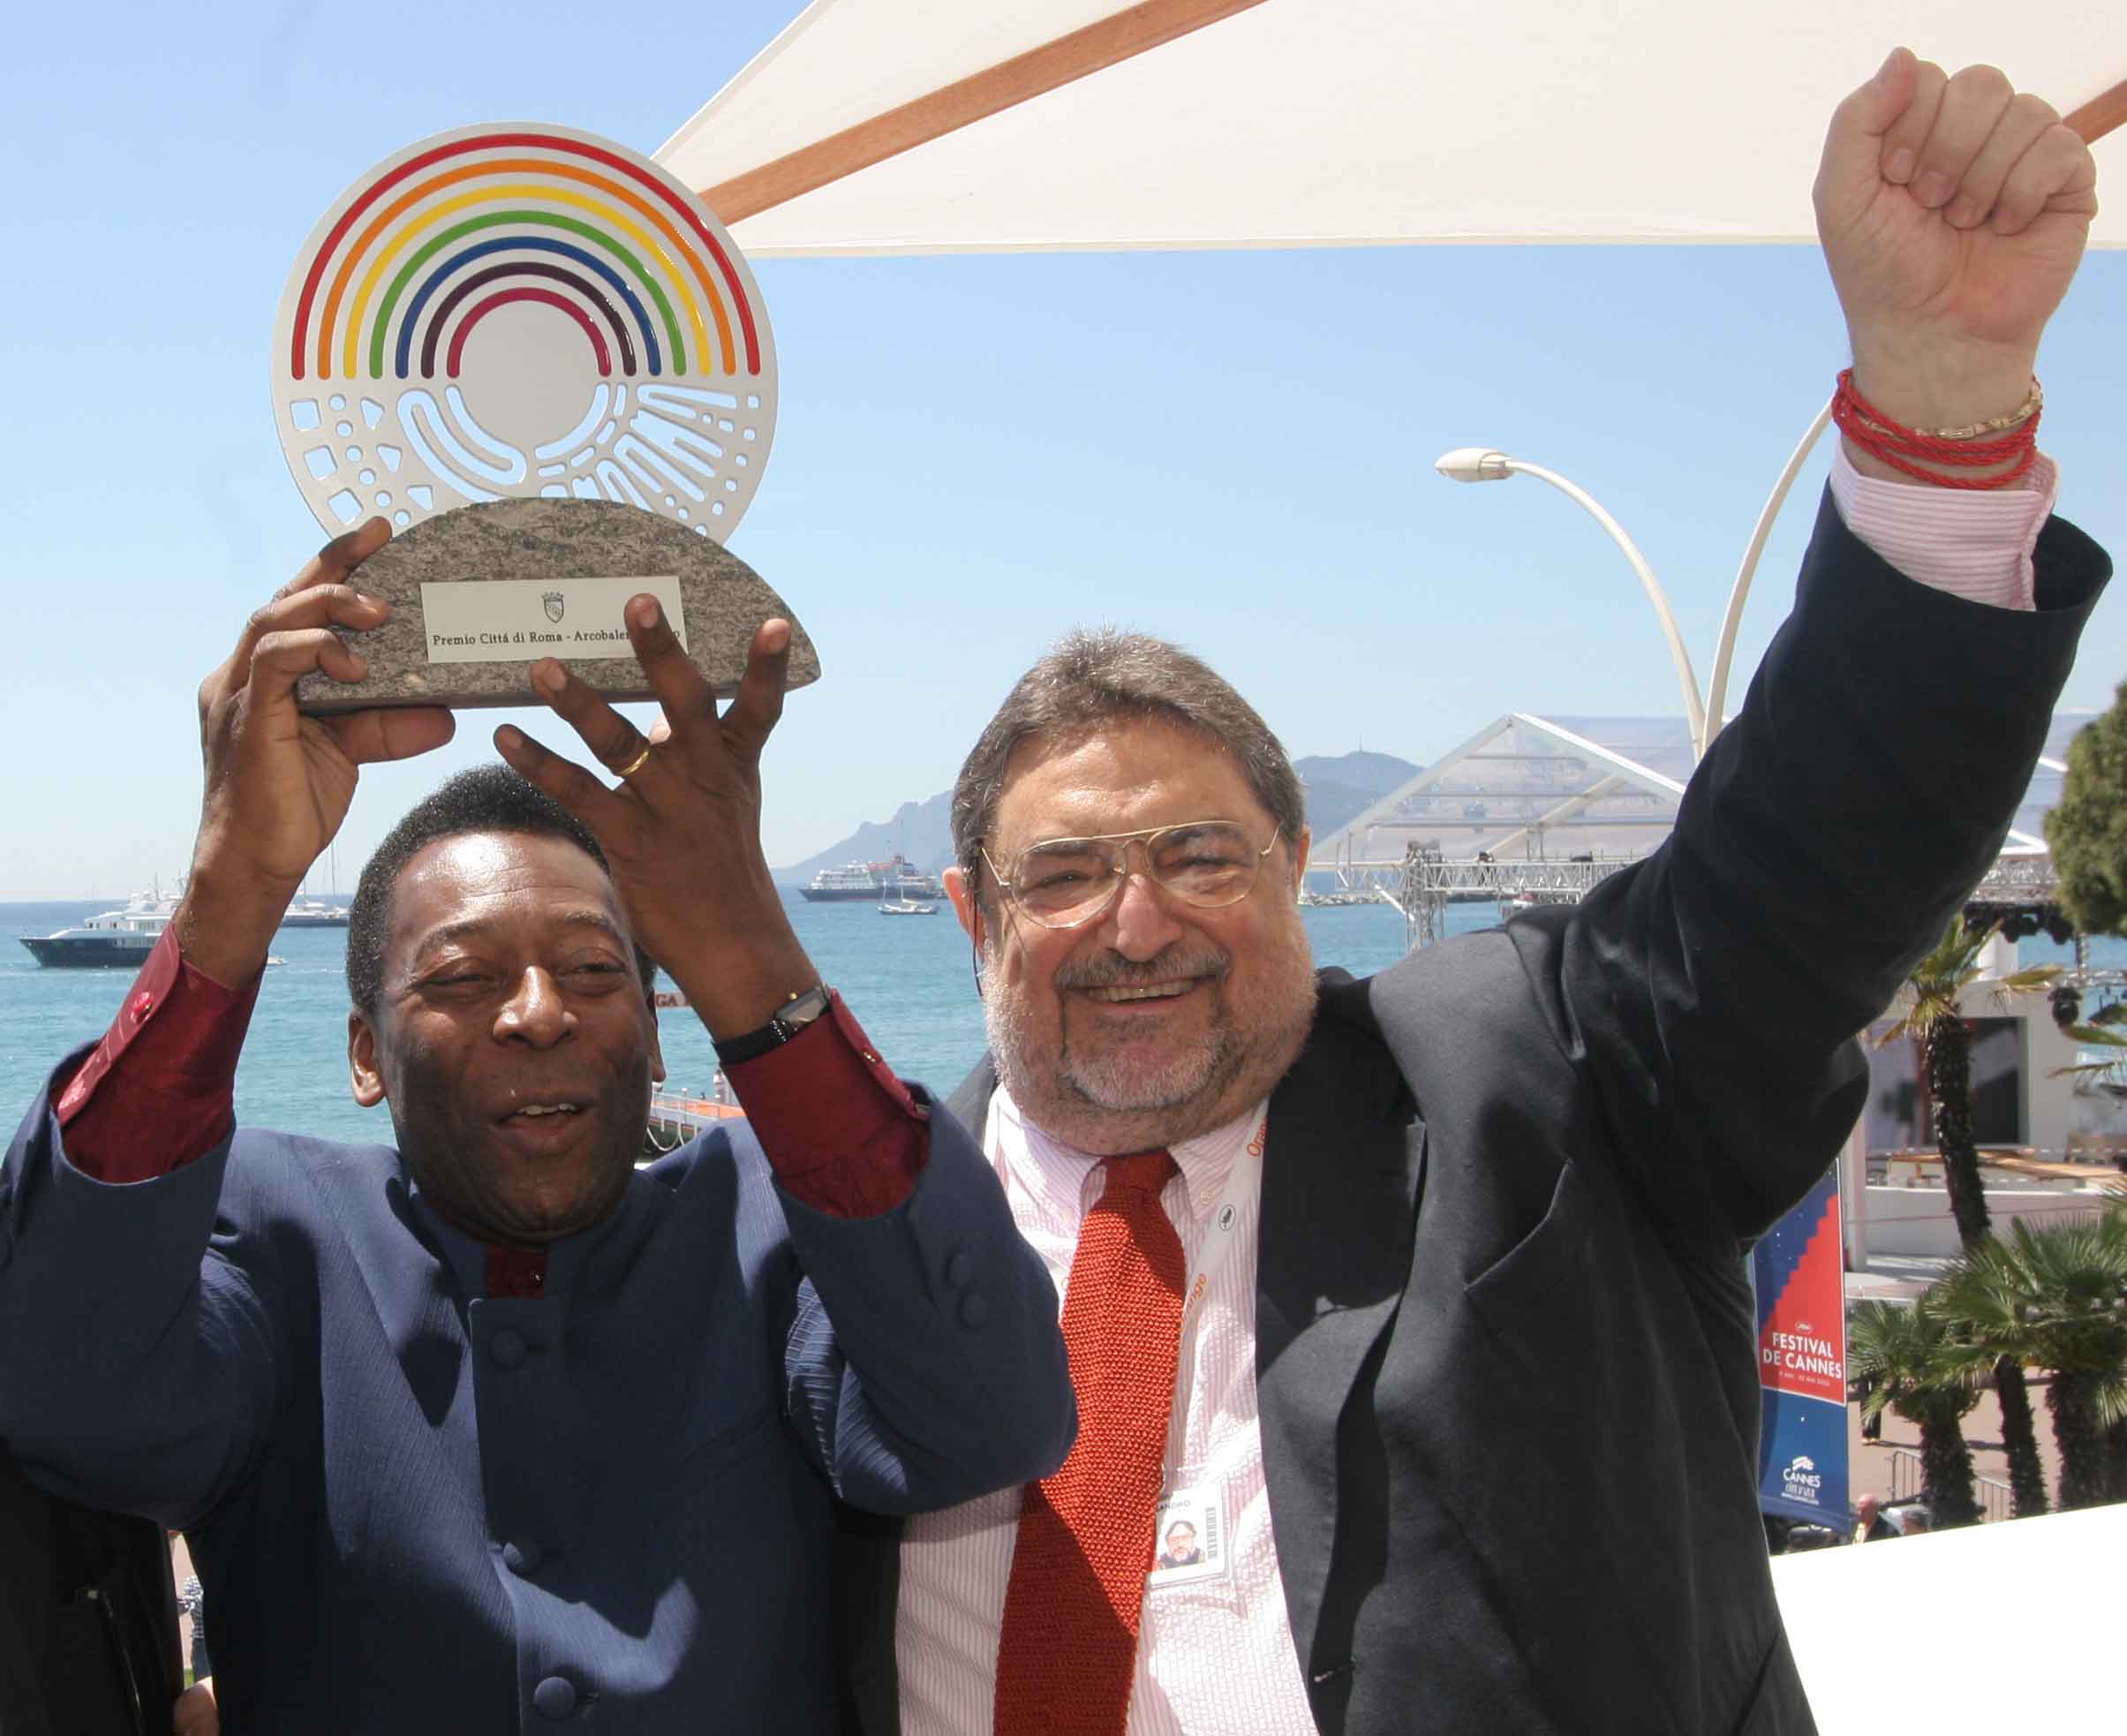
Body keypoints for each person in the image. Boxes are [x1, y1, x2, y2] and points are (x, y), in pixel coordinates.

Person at [830, 49, 2108, 1736]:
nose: (1134, 920)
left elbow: (1806, 866)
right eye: (1063, 872)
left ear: (1294, 867)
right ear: (971, 914)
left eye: (1199, 854)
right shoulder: (856, 1243)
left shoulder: (1531, 1074)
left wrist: (1939, 416)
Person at [0, 571, 1074, 1731]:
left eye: (595, 970)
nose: (537, 1012)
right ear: (364, 1054)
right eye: (461, 977)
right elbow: (69, 1390)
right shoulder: (281, 1238)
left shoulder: (763, 1224)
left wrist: (748, 946)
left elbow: (983, 1418)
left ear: (661, 1037)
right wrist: (231, 888)